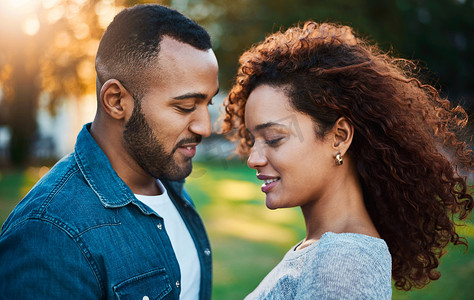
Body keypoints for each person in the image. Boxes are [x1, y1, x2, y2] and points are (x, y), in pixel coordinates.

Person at [221, 22, 473, 299]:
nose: (253, 159)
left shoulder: (343, 262)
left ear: (339, 137)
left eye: (273, 138)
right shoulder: (324, 250)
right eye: (252, 139)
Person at [0, 4, 218, 299]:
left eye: (209, 103)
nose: (205, 127)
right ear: (116, 101)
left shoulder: (168, 180)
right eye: (186, 107)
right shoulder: (50, 232)